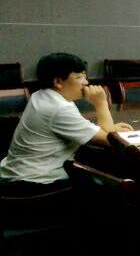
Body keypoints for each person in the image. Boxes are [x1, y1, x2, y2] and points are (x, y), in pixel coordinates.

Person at [0, 52, 133, 190]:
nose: (86, 82)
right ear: (58, 82)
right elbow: (111, 140)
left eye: (85, 76)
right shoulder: (58, 108)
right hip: (34, 183)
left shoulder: (41, 95)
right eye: (79, 77)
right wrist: (101, 103)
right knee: (110, 184)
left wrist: (109, 129)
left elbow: (100, 132)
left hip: (16, 172)